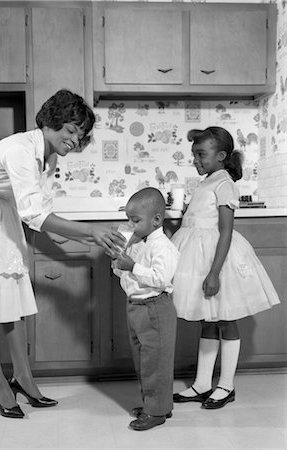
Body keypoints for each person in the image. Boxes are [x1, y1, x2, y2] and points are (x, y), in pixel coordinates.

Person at [0, 89, 124, 419]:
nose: (75, 139)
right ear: (50, 123)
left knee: (13, 301)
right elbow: (34, 214)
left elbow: (39, 210)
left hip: (0, 215)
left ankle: (22, 378)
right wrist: (89, 231)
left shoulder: (48, 157)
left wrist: (70, 239)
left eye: (80, 134)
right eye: (70, 130)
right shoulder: (21, 149)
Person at [171, 127, 280, 409]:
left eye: (201, 154)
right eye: (194, 154)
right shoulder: (208, 181)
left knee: (225, 319)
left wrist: (214, 272)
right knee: (209, 319)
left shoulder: (224, 184)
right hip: (198, 255)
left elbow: (226, 231)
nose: (195, 160)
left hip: (216, 260)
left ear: (220, 156)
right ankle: (202, 383)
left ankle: (226, 385)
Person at [110, 187, 179, 431]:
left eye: (135, 220)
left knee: (155, 362)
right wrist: (117, 260)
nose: (130, 225)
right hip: (136, 307)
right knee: (143, 361)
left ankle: (156, 412)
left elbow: (160, 278)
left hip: (155, 308)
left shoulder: (164, 247)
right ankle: (156, 404)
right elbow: (122, 272)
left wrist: (133, 266)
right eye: (128, 219)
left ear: (156, 220)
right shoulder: (138, 242)